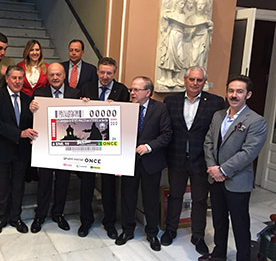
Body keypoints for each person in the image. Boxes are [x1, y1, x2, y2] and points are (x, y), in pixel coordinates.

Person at [200, 75, 268, 261]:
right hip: (215, 179)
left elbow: (248, 153)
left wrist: (222, 170)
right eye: (231, 91)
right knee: (218, 221)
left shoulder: (256, 121)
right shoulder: (218, 115)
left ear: (248, 94)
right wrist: (212, 167)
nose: (234, 95)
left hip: (237, 182)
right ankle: (219, 254)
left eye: (239, 91)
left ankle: (243, 257)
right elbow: (208, 143)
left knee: (240, 224)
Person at [161, 66, 225, 255]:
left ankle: (198, 235)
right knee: (175, 195)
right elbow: (166, 129)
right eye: (192, 79)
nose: (195, 83)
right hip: (177, 157)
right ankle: (170, 230)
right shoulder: (170, 101)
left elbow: (218, 133)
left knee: (199, 200)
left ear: (204, 82)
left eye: (199, 80)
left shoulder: (215, 102)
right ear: (185, 80)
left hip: (202, 160)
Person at [115, 76, 172, 251]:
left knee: (151, 199)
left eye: (136, 90)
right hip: (128, 162)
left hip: (151, 162)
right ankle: (128, 230)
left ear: (147, 92)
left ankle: (152, 233)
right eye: (131, 89)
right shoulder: (126, 107)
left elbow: (166, 135)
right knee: (128, 197)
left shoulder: (160, 109)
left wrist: (148, 147)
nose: (131, 92)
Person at [78, 57, 130, 239]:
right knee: (86, 185)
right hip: (89, 146)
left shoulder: (122, 90)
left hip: (110, 147)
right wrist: (81, 103)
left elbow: (128, 119)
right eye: (102, 72)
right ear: (97, 71)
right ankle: (85, 220)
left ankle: (109, 222)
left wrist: (118, 108)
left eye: (109, 73)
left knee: (109, 187)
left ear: (114, 73)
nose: (105, 76)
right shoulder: (86, 88)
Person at [28, 63, 80, 233]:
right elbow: (34, 119)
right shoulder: (39, 94)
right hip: (45, 146)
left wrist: (85, 105)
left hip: (66, 147)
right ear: (47, 77)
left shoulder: (75, 94)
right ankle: (40, 215)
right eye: (52, 75)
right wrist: (31, 109)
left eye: (58, 74)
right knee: (44, 181)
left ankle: (58, 213)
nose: (55, 78)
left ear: (64, 75)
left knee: (63, 181)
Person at [0, 65, 38, 235]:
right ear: (7, 79)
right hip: (1, 150)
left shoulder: (28, 98)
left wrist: (33, 115)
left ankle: (16, 217)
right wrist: (20, 133)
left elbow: (31, 123)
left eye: (20, 78)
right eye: (14, 78)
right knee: (1, 187)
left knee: (18, 187)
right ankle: (2, 218)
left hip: (21, 152)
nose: (17, 81)